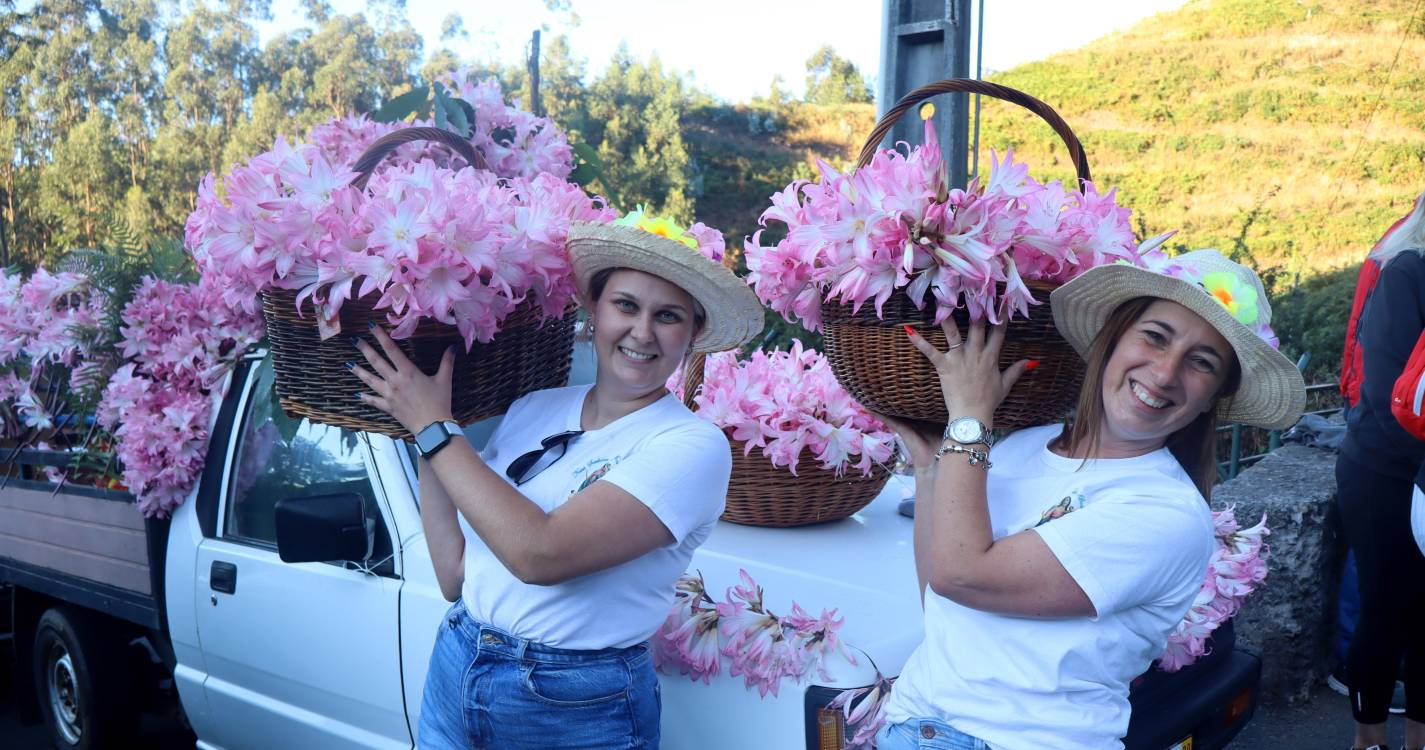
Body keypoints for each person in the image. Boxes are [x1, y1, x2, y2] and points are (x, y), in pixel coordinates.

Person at [348, 214, 763, 749]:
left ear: (693, 335)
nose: (641, 332)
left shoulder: (691, 447)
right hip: (458, 657)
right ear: (593, 313)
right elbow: (455, 576)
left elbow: (540, 554)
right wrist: (428, 427)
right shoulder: (535, 408)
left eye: (668, 316)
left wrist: (434, 429)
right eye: (626, 306)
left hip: (572, 705)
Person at [872, 249, 1305, 750]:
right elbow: (943, 597)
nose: (1164, 374)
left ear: (1213, 397)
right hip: (914, 724)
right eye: (1155, 337)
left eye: (1201, 363)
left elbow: (961, 572)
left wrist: (969, 416)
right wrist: (930, 470)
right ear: (1113, 338)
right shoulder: (1027, 445)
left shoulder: (1165, 513)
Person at [1336, 192, 1425, 750]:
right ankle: (1368, 741)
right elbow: (1390, 396)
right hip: (1384, 473)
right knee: (1385, 608)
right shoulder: (1409, 273)